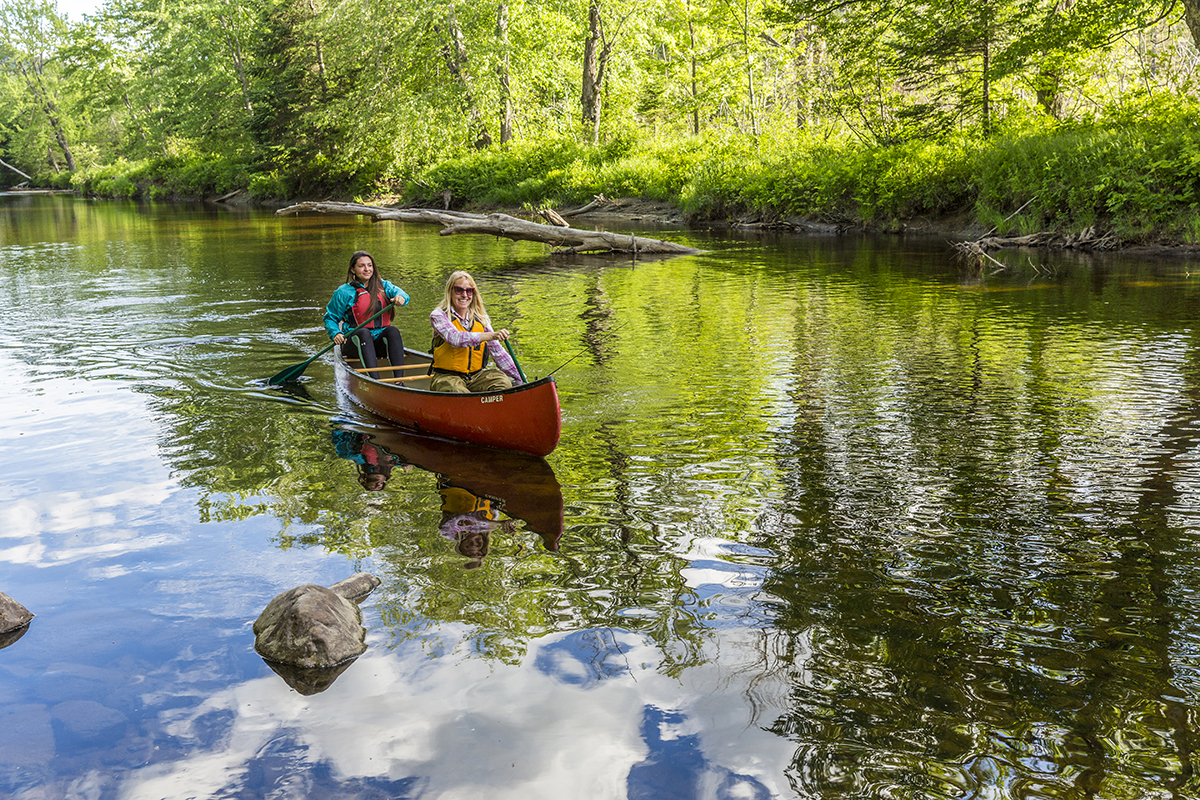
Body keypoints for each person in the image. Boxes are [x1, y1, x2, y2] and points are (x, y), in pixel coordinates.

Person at [429, 270, 522, 393]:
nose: (464, 295)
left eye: (469, 290)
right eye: (459, 290)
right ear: (450, 291)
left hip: (476, 376)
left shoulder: (481, 319)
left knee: (503, 382)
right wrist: (491, 335)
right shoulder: (439, 315)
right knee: (458, 392)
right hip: (447, 377)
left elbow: (498, 353)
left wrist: (522, 378)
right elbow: (455, 338)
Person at [323, 250, 411, 374]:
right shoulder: (343, 292)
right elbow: (330, 318)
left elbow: (403, 295)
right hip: (354, 344)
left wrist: (401, 298)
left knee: (393, 331)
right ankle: (375, 380)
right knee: (364, 333)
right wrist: (335, 333)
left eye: (369, 265)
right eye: (361, 266)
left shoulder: (384, 286)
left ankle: (399, 382)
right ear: (353, 269)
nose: (367, 269)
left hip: (378, 345)